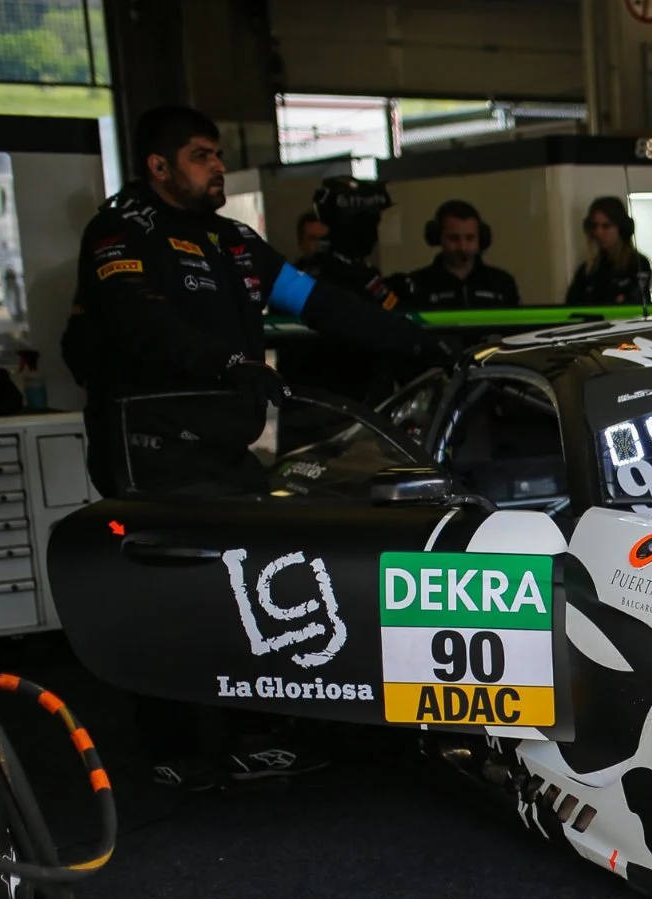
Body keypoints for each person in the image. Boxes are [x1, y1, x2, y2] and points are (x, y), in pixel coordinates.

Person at [64, 105, 442, 787]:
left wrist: (419, 343)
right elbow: (138, 320)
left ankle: (249, 732)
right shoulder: (120, 229)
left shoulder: (235, 240)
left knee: (245, 578)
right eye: (201, 156)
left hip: (222, 446)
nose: (217, 166)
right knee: (165, 591)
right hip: (148, 444)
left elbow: (319, 303)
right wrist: (225, 362)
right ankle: (171, 749)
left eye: (217, 154)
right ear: (159, 166)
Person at [392, 199, 519, 310]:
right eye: (453, 238)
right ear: (437, 237)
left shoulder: (502, 283)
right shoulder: (417, 285)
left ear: (481, 238)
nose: (462, 247)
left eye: (470, 238)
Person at [301, 176, 403, 310]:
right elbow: (392, 312)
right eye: (370, 224)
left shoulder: (310, 270)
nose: (374, 232)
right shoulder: (350, 275)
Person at [566, 196, 651, 306]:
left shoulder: (638, 264)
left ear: (621, 229)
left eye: (606, 226)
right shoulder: (587, 270)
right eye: (595, 226)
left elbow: (635, 301)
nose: (599, 233)